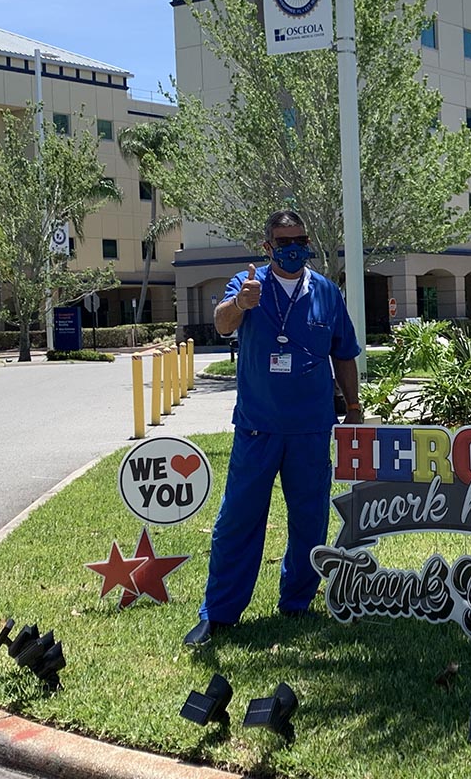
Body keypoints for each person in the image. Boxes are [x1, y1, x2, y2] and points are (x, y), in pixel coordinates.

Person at [184, 210, 364, 647]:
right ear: (267, 247)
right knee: (238, 519)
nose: (293, 247)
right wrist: (240, 304)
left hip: (311, 428)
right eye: (283, 242)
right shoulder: (247, 285)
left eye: (299, 239)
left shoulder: (325, 292)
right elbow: (222, 323)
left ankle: (297, 602)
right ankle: (220, 612)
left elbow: (343, 353)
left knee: (309, 519)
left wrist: (354, 405)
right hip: (257, 427)